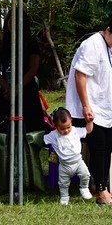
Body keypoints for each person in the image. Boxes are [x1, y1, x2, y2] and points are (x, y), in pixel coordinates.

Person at [65, 15, 112, 205]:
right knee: (99, 147)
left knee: (107, 147)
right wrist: (86, 105)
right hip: (89, 108)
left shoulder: (108, 48)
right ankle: (101, 191)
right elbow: (80, 75)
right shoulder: (92, 44)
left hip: (104, 107)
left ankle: (102, 186)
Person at [0, 10, 48, 133]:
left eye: (18, 22)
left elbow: (33, 69)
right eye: (11, 21)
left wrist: (17, 89)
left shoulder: (31, 43)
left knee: (33, 129)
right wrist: (8, 89)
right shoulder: (1, 44)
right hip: (7, 91)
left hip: (27, 90)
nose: (14, 25)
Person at [43, 107, 93, 205]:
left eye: (68, 127)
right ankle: (64, 197)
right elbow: (42, 139)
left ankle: (84, 188)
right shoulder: (53, 135)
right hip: (64, 165)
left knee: (85, 175)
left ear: (71, 122)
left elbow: (88, 130)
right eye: (62, 128)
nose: (66, 130)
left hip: (78, 162)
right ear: (56, 126)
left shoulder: (75, 131)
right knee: (63, 183)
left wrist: (90, 121)